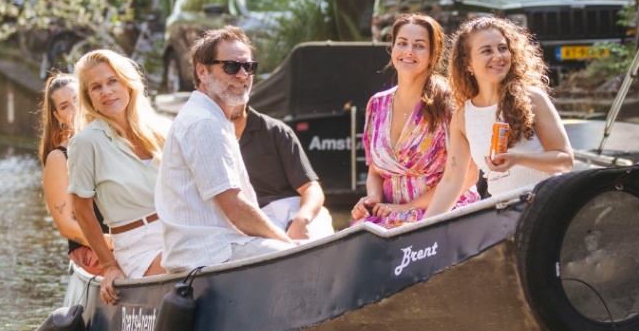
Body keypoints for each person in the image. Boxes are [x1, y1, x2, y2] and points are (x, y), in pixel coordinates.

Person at [155, 26, 294, 281]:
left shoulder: (212, 117)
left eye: (249, 67)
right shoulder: (204, 122)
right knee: (298, 257)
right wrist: (287, 242)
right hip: (209, 254)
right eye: (231, 66)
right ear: (202, 71)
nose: (243, 75)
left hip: (218, 247)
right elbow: (234, 206)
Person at [426, 15, 573, 218]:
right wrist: (423, 228)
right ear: (468, 64)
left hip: (546, 210)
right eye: (487, 51)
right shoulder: (463, 116)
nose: (498, 56)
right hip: (505, 219)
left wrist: (518, 158)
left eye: (503, 48)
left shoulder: (532, 98)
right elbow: (451, 182)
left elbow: (565, 161)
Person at [353, 14, 476, 227]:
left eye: (419, 46)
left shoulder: (450, 103)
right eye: (402, 43)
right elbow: (375, 171)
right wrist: (373, 198)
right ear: (392, 49)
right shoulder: (376, 105)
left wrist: (408, 208)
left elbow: (469, 174)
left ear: (432, 55)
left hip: (440, 214)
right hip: (389, 215)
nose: (409, 51)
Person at [67, 50, 167, 303]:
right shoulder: (86, 142)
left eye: (113, 81)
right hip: (137, 245)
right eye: (96, 87)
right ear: (89, 97)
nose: (106, 91)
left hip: (178, 229)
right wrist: (109, 265)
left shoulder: (161, 129)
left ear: (128, 83)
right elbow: (83, 210)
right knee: (191, 264)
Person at [234, 103, 333, 241]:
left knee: (323, 243)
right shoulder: (211, 137)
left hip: (297, 207)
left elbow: (311, 187)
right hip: (255, 217)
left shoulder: (276, 130)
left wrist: (302, 219)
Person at [36, 73, 100, 274]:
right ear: (58, 117)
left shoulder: (110, 139)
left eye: (77, 100)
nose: (75, 109)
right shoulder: (58, 158)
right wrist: (116, 244)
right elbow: (66, 227)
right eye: (65, 106)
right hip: (95, 252)